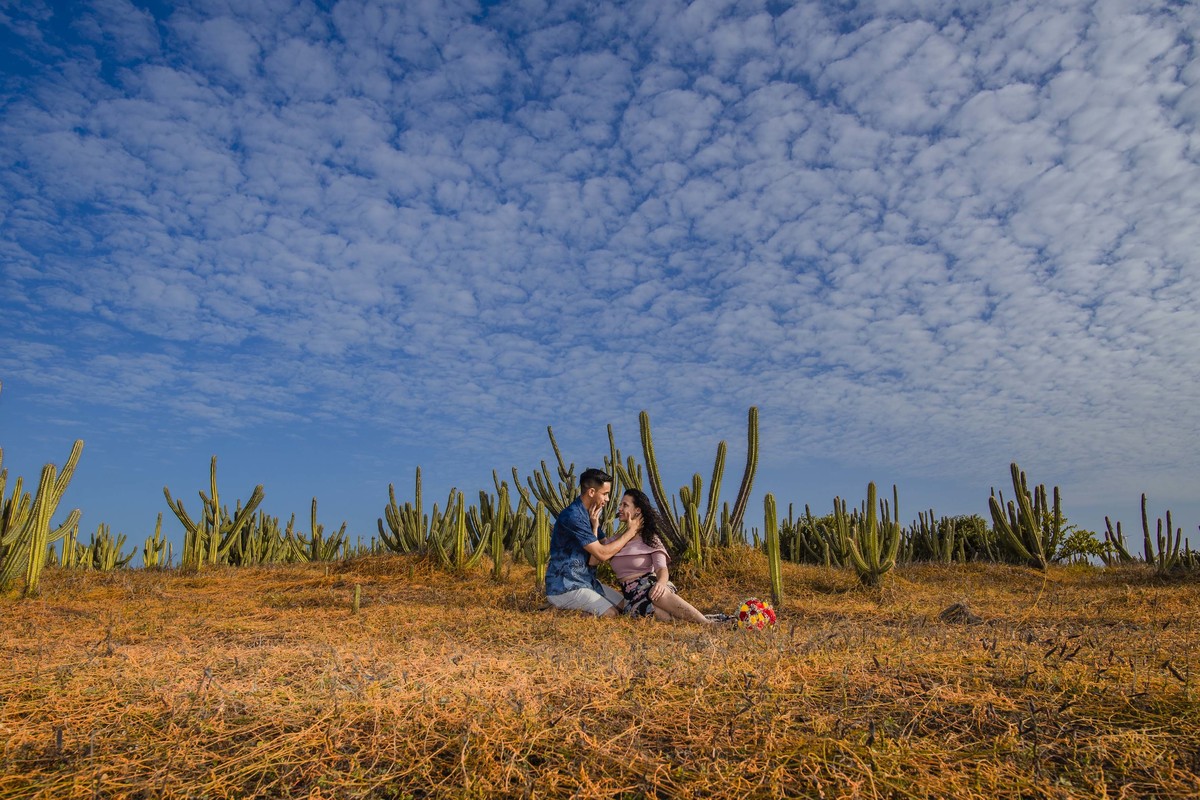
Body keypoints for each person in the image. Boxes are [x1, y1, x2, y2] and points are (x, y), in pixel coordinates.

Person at [599, 488, 714, 624]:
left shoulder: (650, 539)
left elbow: (661, 568)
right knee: (658, 613)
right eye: (620, 505)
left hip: (653, 586)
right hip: (632, 596)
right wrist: (595, 525)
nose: (620, 508)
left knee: (657, 595)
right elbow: (599, 551)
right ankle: (707, 621)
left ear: (638, 510)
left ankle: (708, 624)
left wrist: (660, 583)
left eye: (625, 505)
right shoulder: (615, 541)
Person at [544, 468, 640, 617]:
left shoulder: (590, 515)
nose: (608, 499)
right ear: (591, 492)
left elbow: (605, 545)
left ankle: (577, 608)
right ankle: (560, 611)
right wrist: (630, 532)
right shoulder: (573, 516)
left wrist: (596, 527)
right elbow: (602, 554)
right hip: (565, 586)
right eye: (605, 494)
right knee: (611, 615)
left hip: (587, 582)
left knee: (626, 607)